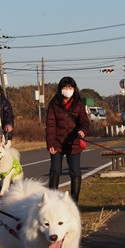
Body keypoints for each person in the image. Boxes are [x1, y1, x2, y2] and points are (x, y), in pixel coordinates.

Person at [46, 76, 90, 204]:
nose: (67, 90)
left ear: (74, 89)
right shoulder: (54, 103)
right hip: (57, 142)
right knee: (55, 170)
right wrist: (50, 143)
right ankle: (51, 201)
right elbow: (50, 125)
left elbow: (84, 121)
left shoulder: (79, 103)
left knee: (75, 171)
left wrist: (82, 131)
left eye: (70, 87)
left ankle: (74, 202)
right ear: (60, 89)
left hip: (74, 142)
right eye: (65, 87)